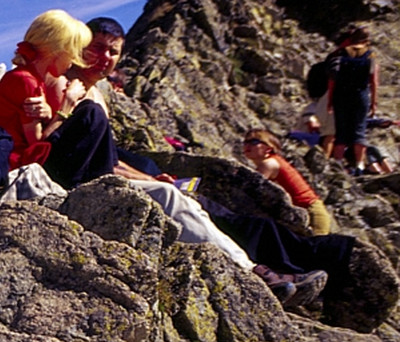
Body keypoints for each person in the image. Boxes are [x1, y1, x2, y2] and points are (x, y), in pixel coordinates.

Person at [24, 17, 329, 307]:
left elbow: (107, 156)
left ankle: (257, 272)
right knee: (172, 199)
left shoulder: (95, 94)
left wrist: (150, 178)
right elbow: (49, 144)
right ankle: (255, 275)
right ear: (80, 48)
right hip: (71, 184)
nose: (105, 57)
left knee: (184, 200)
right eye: (97, 48)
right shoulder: (63, 85)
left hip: (97, 176)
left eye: (113, 51)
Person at [0, 9, 117, 188]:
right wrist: (68, 103)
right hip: (17, 166)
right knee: (91, 113)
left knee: (90, 111)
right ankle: (98, 186)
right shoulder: (25, 81)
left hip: (17, 161)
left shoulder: (29, 79)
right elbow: (38, 144)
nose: (73, 62)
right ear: (58, 51)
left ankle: (102, 184)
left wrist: (49, 115)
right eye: (73, 53)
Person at [241, 129, 336, 235]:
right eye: (245, 142)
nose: (247, 146)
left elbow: (250, 189)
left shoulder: (269, 164)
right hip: (303, 212)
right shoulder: (272, 161)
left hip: (311, 212)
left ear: (268, 148)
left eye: (254, 142)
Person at [326, 24, 379, 175]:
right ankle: (360, 165)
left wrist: (330, 100)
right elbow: (374, 80)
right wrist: (374, 101)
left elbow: (332, 80)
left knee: (341, 130)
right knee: (359, 130)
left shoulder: (340, 53)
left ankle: (338, 163)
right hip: (360, 94)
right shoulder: (371, 55)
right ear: (367, 39)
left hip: (341, 94)